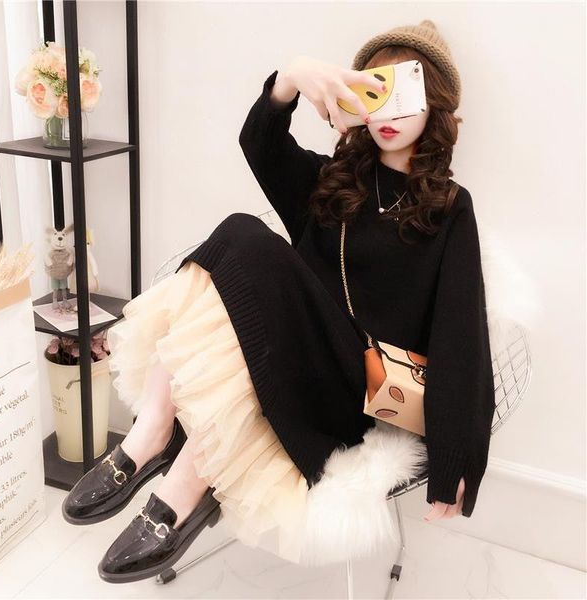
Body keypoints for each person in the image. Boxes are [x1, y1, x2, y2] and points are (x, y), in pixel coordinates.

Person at [61, 19, 496, 583]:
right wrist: (290, 79)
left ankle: (172, 468)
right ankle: (156, 435)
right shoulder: (334, 181)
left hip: (359, 393)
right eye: (375, 91)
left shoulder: (450, 209)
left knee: (242, 232)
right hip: (288, 367)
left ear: (434, 104)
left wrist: (457, 457)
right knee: (236, 249)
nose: (388, 111)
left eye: (405, 93)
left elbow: (462, 336)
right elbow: (260, 144)